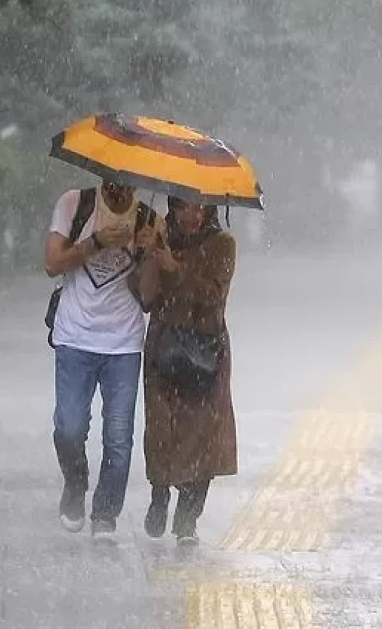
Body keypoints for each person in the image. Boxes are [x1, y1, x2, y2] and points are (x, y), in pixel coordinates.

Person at [44, 181, 159, 539]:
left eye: (127, 179)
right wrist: (96, 242)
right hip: (75, 337)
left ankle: (106, 513)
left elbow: (151, 296)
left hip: (123, 343)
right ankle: (76, 484)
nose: (119, 186)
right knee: (69, 427)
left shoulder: (149, 219)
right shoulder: (75, 203)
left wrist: (149, 254)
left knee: (119, 435)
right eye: (112, 177)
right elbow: (52, 264)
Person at [136, 197, 238, 545]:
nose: (192, 215)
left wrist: (174, 268)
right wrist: (151, 258)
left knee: (205, 436)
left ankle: (188, 518)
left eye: (200, 207)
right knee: (162, 426)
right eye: (183, 206)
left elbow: (211, 295)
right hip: (163, 347)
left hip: (205, 350)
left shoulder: (223, 244)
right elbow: (145, 298)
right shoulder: (160, 233)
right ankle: (160, 494)